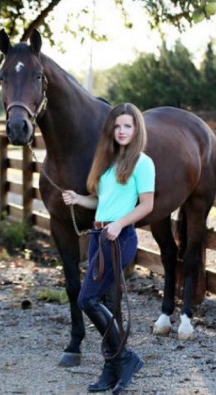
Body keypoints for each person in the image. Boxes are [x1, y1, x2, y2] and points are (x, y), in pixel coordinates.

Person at [62, 103, 155, 394]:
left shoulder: (143, 162)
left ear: (137, 129)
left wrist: (119, 224)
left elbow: (147, 205)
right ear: (111, 130)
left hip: (120, 237)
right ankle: (113, 366)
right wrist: (78, 199)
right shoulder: (106, 161)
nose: (123, 131)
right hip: (98, 236)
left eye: (128, 126)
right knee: (102, 303)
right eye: (118, 126)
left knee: (87, 300)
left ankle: (126, 358)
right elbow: (100, 202)